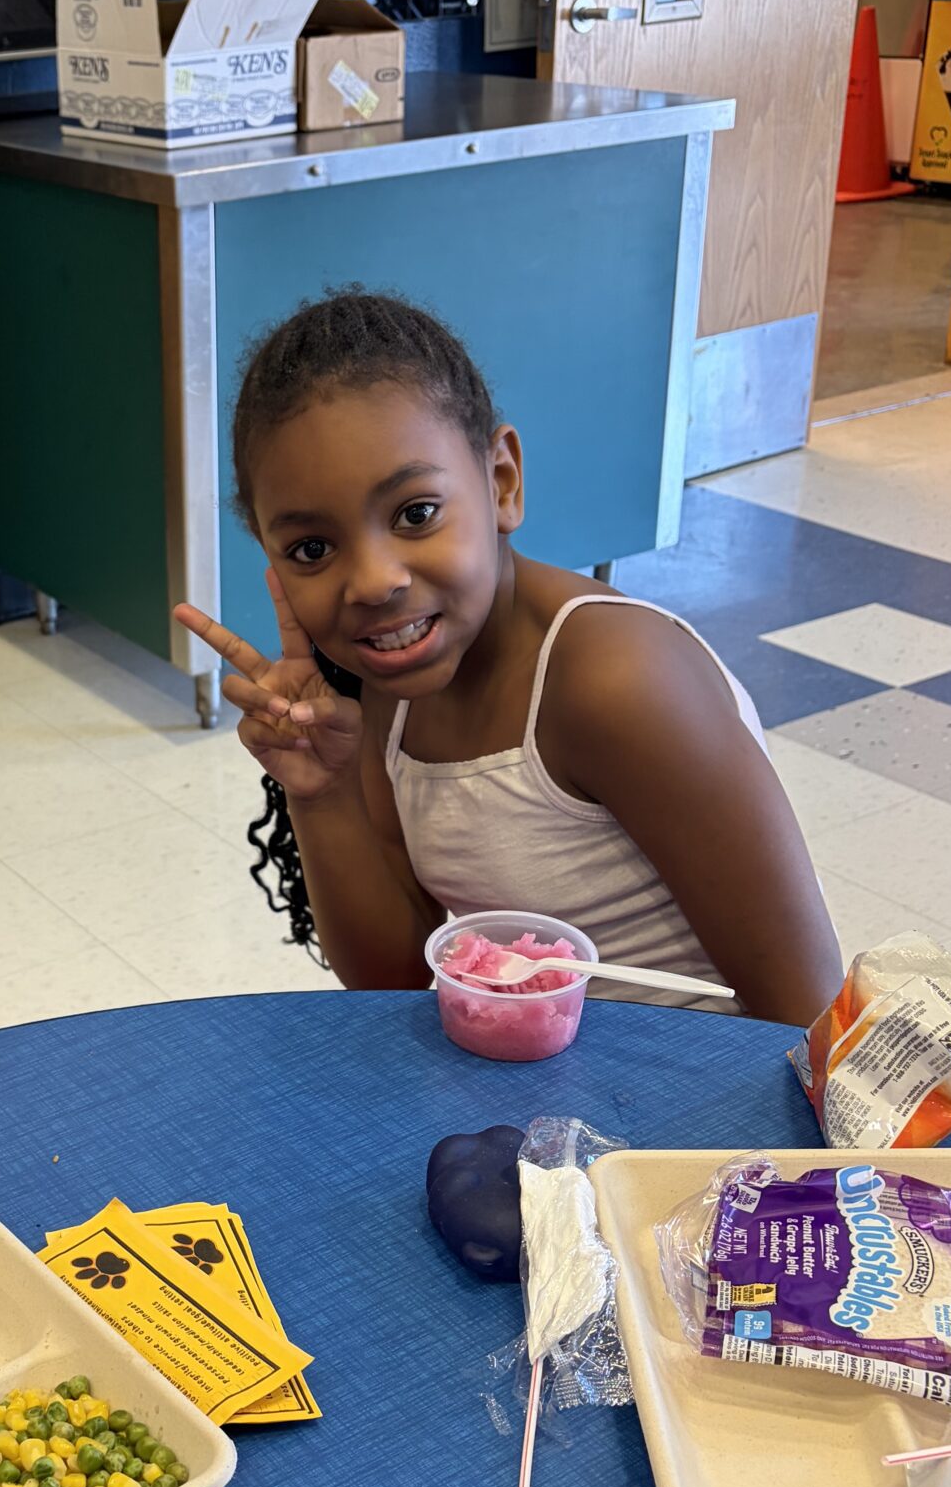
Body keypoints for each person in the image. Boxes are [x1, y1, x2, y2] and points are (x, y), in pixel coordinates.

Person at [175, 290, 840, 1023]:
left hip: (690, 1106)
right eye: (312, 549)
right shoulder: (393, 683)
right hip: (544, 1086)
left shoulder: (614, 680)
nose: (373, 582)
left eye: (416, 513)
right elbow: (391, 976)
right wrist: (321, 793)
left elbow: (806, 1010)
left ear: (501, 482)